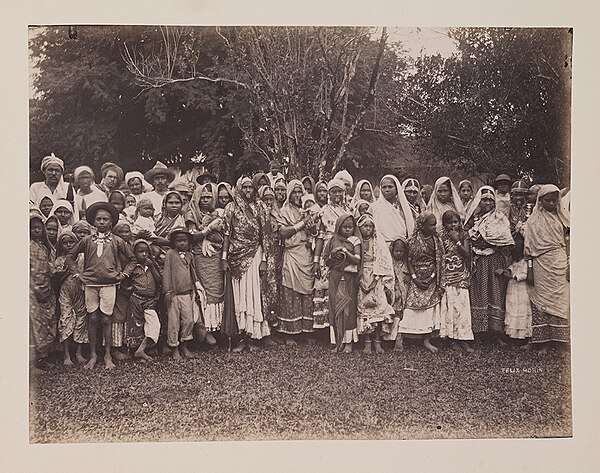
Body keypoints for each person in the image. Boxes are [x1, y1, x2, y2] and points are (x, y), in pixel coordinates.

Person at [65, 201, 134, 369]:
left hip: (109, 284)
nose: (102, 222)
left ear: (111, 222)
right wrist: (77, 273)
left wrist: (123, 275)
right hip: (90, 284)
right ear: (93, 222)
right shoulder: (87, 240)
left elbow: (132, 259)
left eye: (105, 219)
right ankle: (93, 355)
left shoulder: (117, 241)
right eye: (99, 219)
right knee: (93, 317)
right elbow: (70, 256)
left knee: (105, 318)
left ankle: (108, 355)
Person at [222, 176, 271, 352]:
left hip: (255, 254)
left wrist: (264, 260)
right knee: (239, 294)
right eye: (245, 188)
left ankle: (253, 336)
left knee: (253, 293)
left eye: (251, 187)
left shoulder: (260, 207)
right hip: (235, 257)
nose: (248, 191)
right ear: (239, 189)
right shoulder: (231, 208)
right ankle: (240, 336)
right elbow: (227, 234)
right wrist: (224, 258)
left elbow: (265, 235)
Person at [524, 184, 570, 353]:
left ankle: (560, 342)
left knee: (560, 300)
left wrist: (569, 263)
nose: (551, 204)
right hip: (540, 264)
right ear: (540, 201)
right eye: (548, 201)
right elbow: (528, 249)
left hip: (559, 262)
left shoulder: (563, 219)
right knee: (541, 302)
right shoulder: (533, 221)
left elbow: (568, 241)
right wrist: (529, 270)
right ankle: (543, 342)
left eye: (554, 201)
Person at [466, 186, 514, 343]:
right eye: (484, 199)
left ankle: (495, 332)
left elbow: (504, 240)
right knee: (479, 291)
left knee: (495, 292)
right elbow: (467, 236)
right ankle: (479, 332)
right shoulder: (473, 218)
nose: (487, 202)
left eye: (490, 200)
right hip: (479, 261)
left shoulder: (500, 218)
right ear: (479, 201)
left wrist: (487, 240)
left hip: (495, 260)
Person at [275, 180, 319, 345]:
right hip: (292, 254)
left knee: (307, 292)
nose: (297, 195)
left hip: (306, 254)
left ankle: (306, 331)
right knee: (290, 291)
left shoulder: (307, 209)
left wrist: (312, 226)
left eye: (300, 192)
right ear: (289, 193)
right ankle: (289, 333)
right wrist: (303, 222)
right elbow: (283, 232)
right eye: (294, 192)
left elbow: (314, 232)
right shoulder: (284, 211)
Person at [398, 213, 444, 353]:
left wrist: (431, 278)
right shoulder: (412, 240)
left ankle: (426, 339)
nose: (434, 227)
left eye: (435, 224)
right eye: (431, 224)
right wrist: (415, 278)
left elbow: (439, 261)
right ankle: (403, 336)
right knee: (410, 308)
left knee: (429, 310)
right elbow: (409, 260)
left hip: (431, 277)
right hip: (416, 277)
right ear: (422, 225)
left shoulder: (436, 240)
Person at [186, 183, 225, 339]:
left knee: (217, 290)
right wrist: (209, 229)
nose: (206, 200)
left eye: (209, 197)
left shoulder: (217, 213)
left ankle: (218, 327)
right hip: (200, 256)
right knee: (204, 291)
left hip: (215, 256)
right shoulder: (192, 215)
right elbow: (192, 237)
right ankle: (206, 331)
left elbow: (222, 236)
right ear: (197, 198)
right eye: (203, 198)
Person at [312, 179, 350, 336]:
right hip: (328, 252)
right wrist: (316, 260)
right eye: (333, 191)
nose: (337, 194)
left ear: (344, 193)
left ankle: (342, 327)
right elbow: (320, 238)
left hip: (344, 251)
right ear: (329, 193)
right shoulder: (324, 211)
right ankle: (326, 330)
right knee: (326, 287)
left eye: (339, 191)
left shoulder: (349, 210)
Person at [355, 213, 395, 354]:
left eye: (370, 226)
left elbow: (382, 261)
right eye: (365, 226)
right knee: (364, 309)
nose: (368, 229)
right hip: (361, 276)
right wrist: (360, 282)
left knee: (378, 308)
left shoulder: (377, 242)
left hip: (376, 277)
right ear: (359, 227)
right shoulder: (356, 242)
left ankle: (377, 342)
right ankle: (367, 342)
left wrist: (375, 281)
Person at [438, 210, 474, 352]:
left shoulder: (463, 234)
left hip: (461, 275)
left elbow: (466, 253)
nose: (453, 225)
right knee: (450, 308)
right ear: (444, 224)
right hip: (447, 275)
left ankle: (463, 338)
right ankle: (451, 339)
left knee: (462, 308)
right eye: (449, 222)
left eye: (455, 222)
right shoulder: (440, 236)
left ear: (460, 223)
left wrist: (456, 240)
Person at [324, 213, 361, 352]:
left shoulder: (355, 240)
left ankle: (348, 342)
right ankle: (337, 341)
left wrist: (345, 251)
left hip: (349, 278)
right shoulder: (333, 240)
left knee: (348, 307)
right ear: (338, 227)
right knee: (335, 306)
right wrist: (333, 255)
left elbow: (357, 260)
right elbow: (326, 260)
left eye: (350, 227)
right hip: (335, 277)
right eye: (344, 227)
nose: (347, 230)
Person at [162, 227, 200, 359]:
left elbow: (192, 273)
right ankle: (174, 348)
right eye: (179, 241)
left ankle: (185, 346)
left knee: (188, 320)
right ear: (174, 242)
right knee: (173, 322)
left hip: (186, 293)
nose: (182, 243)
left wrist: (195, 290)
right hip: (173, 294)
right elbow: (166, 273)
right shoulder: (170, 254)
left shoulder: (190, 255)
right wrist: (167, 291)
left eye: (184, 241)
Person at [122, 239, 162, 362]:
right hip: (136, 300)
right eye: (140, 252)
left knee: (154, 324)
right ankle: (137, 351)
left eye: (146, 252)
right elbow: (125, 282)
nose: (144, 254)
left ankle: (142, 349)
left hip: (150, 301)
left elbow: (159, 280)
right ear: (134, 253)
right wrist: (129, 289)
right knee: (136, 326)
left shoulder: (151, 265)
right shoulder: (132, 267)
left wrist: (151, 266)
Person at [53, 231, 88, 366]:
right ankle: (66, 354)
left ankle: (79, 352)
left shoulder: (82, 257)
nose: (68, 245)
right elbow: (57, 279)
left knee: (81, 319)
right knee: (65, 319)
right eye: (65, 243)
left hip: (80, 291)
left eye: (71, 242)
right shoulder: (59, 260)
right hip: (65, 292)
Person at [30, 212, 57, 372]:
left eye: (39, 228)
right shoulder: (26, 246)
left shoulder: (45, 246)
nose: (36, 231)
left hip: (46, 288)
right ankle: (31, 364)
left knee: (47, 323)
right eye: (33, 228)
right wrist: (34, 288)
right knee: (34, 326)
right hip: (32, 290)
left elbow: (47, 266)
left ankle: (41, 359)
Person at [257, 185, 283, 343]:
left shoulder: (277, 213)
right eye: (265, 198)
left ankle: (273, 329)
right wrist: (264, 260)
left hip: (277, 255)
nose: (268, 201)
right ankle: (263, 331)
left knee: (275, 291)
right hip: (264, 257)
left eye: (270, 199)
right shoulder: (259, 214)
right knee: (264, 291)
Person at [499, 237, 532, 346]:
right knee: (512, 309)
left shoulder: (525, 262)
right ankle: (513, 335)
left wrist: (513, 276)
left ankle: (523, 336)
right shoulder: (514, 262)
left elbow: (524, 274)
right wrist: (505, 272)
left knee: (521, 310)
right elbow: (510, 269)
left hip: (521, 290)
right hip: (512, 289)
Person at [371, 174, 414, 246]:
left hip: (400, 248)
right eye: (384, 187)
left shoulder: (403, 208)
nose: (387, 190)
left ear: (397, 188)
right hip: (381, 246)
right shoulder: (374, 207)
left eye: (390, 187)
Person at [389, 238, 410, 351]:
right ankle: (390, 338)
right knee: (393, 315)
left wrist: (409, 276)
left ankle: (398, 339)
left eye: (401, 251)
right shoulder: (389, 262)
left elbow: (409, 273)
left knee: (400, 316)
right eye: (396, 251)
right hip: (393, 294)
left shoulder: (406, 263)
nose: (398, 253)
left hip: (403, 295)